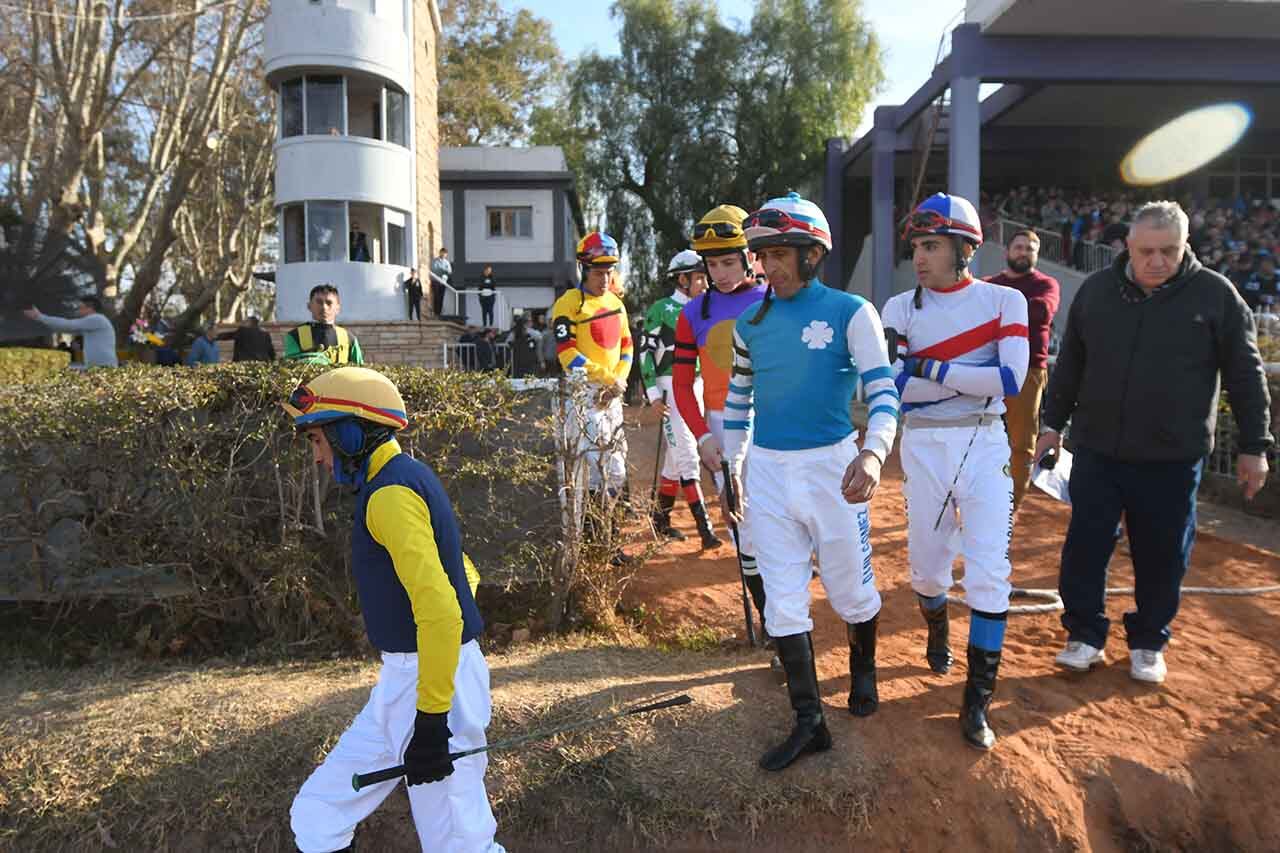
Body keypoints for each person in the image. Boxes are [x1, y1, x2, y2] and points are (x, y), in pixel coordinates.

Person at [1037, 200, 1272, 684]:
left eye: (1169, 250)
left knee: (1164, 552)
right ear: (1127, 246)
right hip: (1098, 449)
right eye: (1147, 251)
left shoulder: (1216, 296)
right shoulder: (1097, 292)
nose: (1157, 261)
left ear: (1186, 246)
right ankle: (1084, 634)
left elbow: (1246, 376)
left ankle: (1148, 640)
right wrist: (1051, 424)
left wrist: (1255, 446)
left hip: (1172, 456)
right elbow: (1070, 366)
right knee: (1085, 545)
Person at [704, 192, 899, 771]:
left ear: (814, 253)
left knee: (850, 592)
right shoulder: (749, 324)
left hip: (833, 467)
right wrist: (730, 464)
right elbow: (739, 402)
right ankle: (809, 720)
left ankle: (863, 670)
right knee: (783, 602)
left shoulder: (852, 311)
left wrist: (872, 454)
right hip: (766, 469)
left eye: (782, 252)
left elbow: (883, 392)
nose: (771, 265)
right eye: (764, 254)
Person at [282, 367, 504, 853]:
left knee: (460, 844)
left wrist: (432, 718)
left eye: (318, 440)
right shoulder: (406, 477)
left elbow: (444, 613)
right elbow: (464, 572)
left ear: (350, 431)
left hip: (433, 687)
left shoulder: (389, 495)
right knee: (317, 814)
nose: (318, 457)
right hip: (407, 683)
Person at [882, 192, 1029, 750]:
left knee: (991, 572)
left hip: (988, 443)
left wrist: (932, 367)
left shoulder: (1003, 301)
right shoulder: (898, 308)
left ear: (965, 248)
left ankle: (976, 703)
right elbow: (895, 388)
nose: (920, 256)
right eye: (918, 245)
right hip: (922, 447)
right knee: (926, 573)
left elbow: (1011, 381)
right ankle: (937, 624)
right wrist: (969, 373)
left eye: (933, 245)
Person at [671, 205, 768, 636]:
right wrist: (703, 436)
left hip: (774, 423)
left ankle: (786, 619)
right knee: (742, 525)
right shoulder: (692, 313)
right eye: (713, 264)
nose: (722, 272)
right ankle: (770, 621)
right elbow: (679, 384)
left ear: (750, 257)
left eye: (730, 261)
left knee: (776, 523)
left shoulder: (773, 300)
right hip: (721, 429)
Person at [550, 232, 634, 556]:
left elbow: (627, 345)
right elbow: (566, 353)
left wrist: (619, 381)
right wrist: (605, 378)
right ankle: (583, 544)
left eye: (610, 271)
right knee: (585, 474)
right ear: (584, 269)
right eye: (599, 272)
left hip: (613, 395)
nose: (605, 278)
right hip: (584, 395)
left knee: (616, 471)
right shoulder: (568, 303)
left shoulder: (616, 304)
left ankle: (608, 542)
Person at [639, 249, 721, 549]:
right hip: (669, 387)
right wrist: (651, 395)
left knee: (675, 463)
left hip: (696, 387)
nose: (704, 283)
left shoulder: (706, 308)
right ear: (683, 279)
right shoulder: (661, 309)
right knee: (687, 455)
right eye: (699, 277)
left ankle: (660, 520)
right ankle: (706, 530)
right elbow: (645, 353)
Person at [985, 229, 1060, 512]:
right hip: (987, 368)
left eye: (1030, 248)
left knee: (1021, 444)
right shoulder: (990, 284)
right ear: (1008, 251)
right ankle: (974, 499)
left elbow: (1041, 311)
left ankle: (1009, 508)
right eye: (1019, 247)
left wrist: (997, 312)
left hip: (1028, 371)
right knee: (974, 435)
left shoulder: (1046, 284)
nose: (1023, 252)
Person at [22, 296, 118, 368]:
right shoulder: (93, 322)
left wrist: (40, 316)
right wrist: (40, 318)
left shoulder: (96, 319)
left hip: (104, 367)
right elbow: (64, 328)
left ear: (90, 308)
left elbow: (67, 324)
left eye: (80, 307)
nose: (78, 309)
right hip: (100, 367)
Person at [284, 284, 364, 365]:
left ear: (338, 308)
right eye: (319, 302)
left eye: (329, 303)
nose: (324, 307)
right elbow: (289, 367)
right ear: (309, 306)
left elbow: (359, 371)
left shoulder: (349, 339)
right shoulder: (295, 336)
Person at [430, 249, 452, 317]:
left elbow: (449, 271)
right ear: (440, 253)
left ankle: (439, 313)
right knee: (436, 297)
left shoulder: (447, 262)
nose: (443, 254)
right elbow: (434, 270)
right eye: (442, 253)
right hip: (435, 281)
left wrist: (443, 271)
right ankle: (435, 312)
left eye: (445, 254)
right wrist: (443, 270)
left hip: (443, 282)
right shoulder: (435, 261)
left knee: (441, 297)